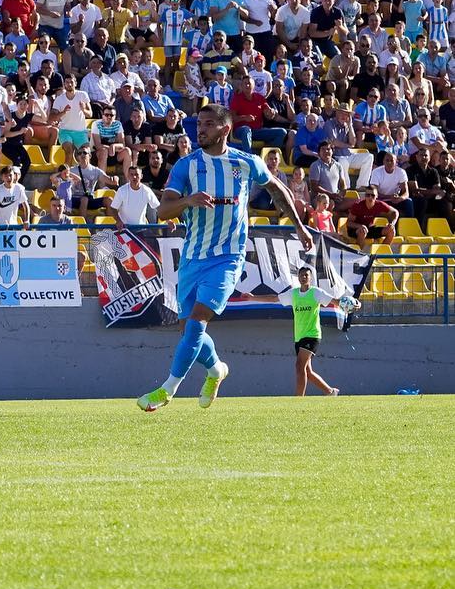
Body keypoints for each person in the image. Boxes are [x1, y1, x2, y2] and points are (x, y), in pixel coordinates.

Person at [137, 103, 311, 412]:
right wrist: (188, 201)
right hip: (192, 257)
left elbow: (277, 189)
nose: (200, 129)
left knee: (196, 324)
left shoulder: (246, 162)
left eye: (208, 124)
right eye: (199, 124)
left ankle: (167, 389)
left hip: (228, 258)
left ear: (225, 129)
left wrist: (299, 226)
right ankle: (216, 369)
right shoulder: (186, 166)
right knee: (188, 331)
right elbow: (163, 210)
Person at [275, 265, 355, 396]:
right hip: (299, 337)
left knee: (299, 366)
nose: (303, 277)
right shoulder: (293, 294)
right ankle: (331, 392)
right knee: (307, 371)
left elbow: (336, 302)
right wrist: (252, 298)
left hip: (312, 335)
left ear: (311, 278)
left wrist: (354, 304)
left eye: (306, 275)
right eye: (301, 275)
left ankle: (298, 400)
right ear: (298, 277)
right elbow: (274, 298)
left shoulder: (316, 293)